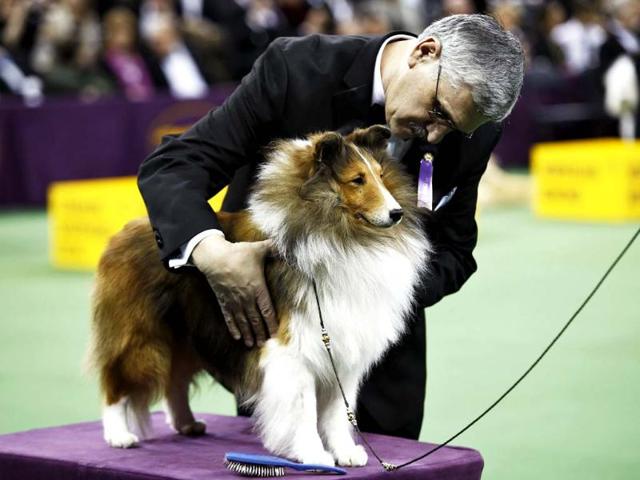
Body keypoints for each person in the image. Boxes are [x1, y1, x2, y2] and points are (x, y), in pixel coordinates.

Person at [138, 13, 524, 440]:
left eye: (450, 127)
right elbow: (173, 168)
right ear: (424, 52)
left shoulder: (474, 135)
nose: (434, 136)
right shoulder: (295, 69)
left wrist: (373, 289)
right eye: (436, 112)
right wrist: (214, 254)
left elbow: (454, 251)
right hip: (281, 348)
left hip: (380, 368)